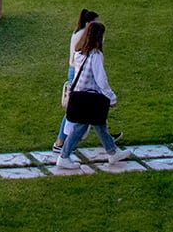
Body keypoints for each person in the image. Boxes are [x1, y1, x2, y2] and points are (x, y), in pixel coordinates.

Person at [56, 21, 131, 171]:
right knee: (81, 128)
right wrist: (111, 97)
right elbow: (101, 79)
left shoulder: (80, 53)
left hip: (80, 95)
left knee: (100, 124)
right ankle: (63, 157)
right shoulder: (95, 55)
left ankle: (112, 152)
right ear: (98, 37)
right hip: (90, 98)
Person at [53, 9, 100, 151]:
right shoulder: (82, 36)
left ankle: (107, 138)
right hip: (78, 72)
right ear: (87, 23)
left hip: (75, 71)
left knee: (92, 108)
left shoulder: (78, 33)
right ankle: (60, 142)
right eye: (94, 22)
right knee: (74, 110)